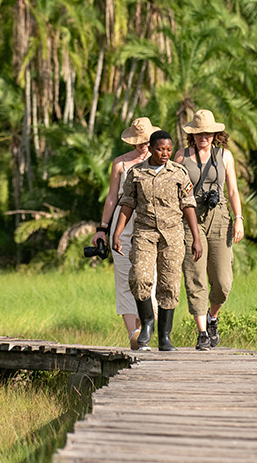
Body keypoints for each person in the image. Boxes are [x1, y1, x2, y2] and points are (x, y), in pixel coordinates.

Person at [112, 130, 202, 351]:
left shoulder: (179, 173)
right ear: (151, 148)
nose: (165, 153)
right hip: (144, 232)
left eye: (169, 149)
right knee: (139, 278)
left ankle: (165, 337)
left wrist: (196, 238)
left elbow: (188, 206)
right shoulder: (136, 173)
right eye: (161, 149)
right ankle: (147, 324)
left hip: (172, 235)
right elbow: (127, 204)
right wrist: (116, 233)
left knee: (169, 284)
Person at [176, 109, 244, 351]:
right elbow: (174, 190)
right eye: (198, 133)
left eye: (207, 133)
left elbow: (234, 191)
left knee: (223, 282)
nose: (203, 137)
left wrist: (239, 218)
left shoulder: (224, 156)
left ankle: (212, 317)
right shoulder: (182, 157)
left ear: (215, 134)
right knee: (195, 275)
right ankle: (202, 332)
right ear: (191, 135)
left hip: (219, 217)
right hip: (190, 218)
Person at [91, 117, 160, 349]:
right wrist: (103, 228)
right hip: (123, 225)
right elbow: (112, 197)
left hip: (150, 225)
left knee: (149, 278)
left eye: (147, 141)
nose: (143, 146)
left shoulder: (159, 161)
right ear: (133, 142)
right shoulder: (120, 164)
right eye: (140, 142)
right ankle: (134, 335)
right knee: (124, 279)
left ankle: (145, 330)